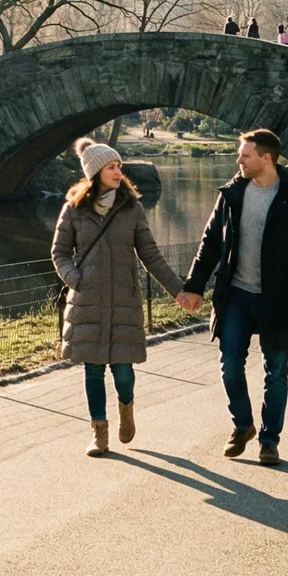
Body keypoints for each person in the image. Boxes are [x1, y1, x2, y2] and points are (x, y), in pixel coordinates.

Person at [175, 129, 288, 466]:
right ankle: (243, 426)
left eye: (244, 155)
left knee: (277, 371)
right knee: (229, 366)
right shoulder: (232, 194)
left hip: (279, 299)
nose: (238, 160)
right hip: (236, 296)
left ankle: (270, 441)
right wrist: (194, 286)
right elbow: (210, 241)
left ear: (265, 158)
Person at [52, 138, 186, 457]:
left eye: (119, 166)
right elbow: (59, 253)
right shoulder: (74, 209)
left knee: (123, 372)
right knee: (93, 370)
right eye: (112, 167)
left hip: (124, 300)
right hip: (87, 302)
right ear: (96, 172)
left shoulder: (132, 208)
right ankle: (99, 433)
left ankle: (126, 409)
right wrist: (75, 279)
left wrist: (179, 290)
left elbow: (150, 255)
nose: (118, 171)